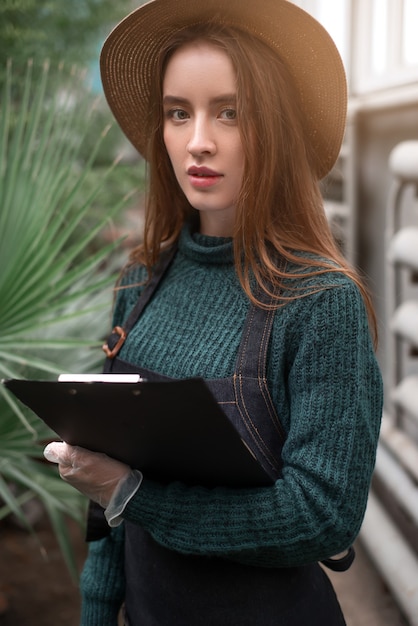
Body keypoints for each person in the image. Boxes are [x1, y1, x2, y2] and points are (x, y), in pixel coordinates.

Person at [43, 1, 384, 624]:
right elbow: (110, 509)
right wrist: (97, 605)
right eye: (179, 113)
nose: (198, 140)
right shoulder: (142, 279)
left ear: (275, 127)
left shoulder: (319, 302)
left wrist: (133, 495)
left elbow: (321, 515)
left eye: (231, 112)